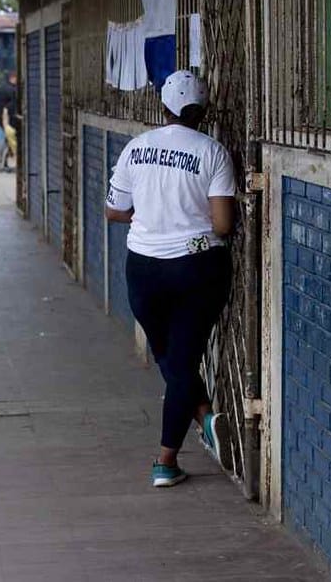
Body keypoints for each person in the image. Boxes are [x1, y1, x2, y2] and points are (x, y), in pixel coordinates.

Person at [104, 70, 236, 488]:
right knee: (181, 361)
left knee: (172, 360)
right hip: (198, 269)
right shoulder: (213, 151)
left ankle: (178, 446)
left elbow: (114, 211)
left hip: (143, 269)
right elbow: (223, 224)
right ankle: (175, 450)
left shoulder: (136, 148)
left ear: (162, 107)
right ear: (203, 110)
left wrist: (146, 216)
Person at [0, 71, 18, 173]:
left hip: (2, 118)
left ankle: (4, 163)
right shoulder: (10, 89)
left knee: (9, 140)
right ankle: (2, 164)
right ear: (12, 78)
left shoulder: (2, 87)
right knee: (8, 141)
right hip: (6, 119)